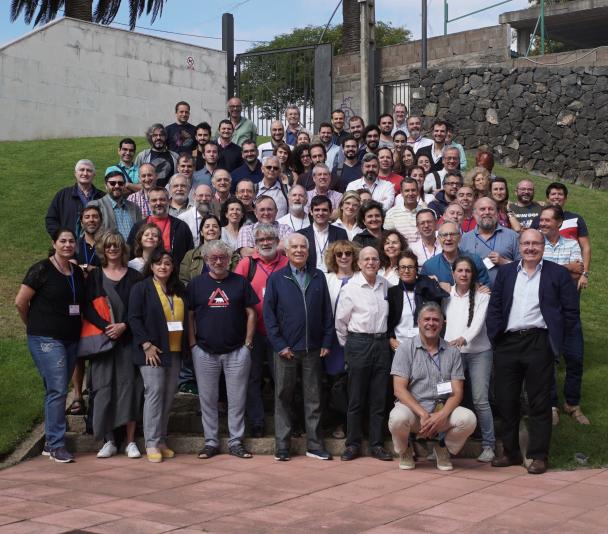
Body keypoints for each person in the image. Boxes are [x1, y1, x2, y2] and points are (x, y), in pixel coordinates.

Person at [487, 229, 580, 475]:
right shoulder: (507, 273)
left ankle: (539, 455)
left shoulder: (557, 274)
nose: (530, 248)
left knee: (540, 402)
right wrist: (494, 336)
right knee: (506, 400)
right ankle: (510, 452)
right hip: (507, 342)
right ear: (519, 246)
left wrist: (556, 340)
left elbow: (571, 311)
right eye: (526, 243)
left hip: (539, 342)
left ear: (543, 247)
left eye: (535, 243)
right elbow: (495, 306)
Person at [15, 228, 86, 463]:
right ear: (54, 243)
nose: (67, 245)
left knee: (56, 389)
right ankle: (56, 444)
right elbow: (20, 302)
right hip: (46, 338)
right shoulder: (41, 269)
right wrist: (33, 325)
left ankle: (49, 442)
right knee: (57, 389)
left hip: (70, 338)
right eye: (62, 241)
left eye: (71, 241)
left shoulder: (76, 271)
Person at [264, 233, 334, 461]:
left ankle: (314, 445)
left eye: (303, 246)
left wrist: (326, 340)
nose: (299, 250)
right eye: (294, 246)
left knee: (313, 399)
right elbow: (269, 315)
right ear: (285, 250)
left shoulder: (318, 276)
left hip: (313, 348)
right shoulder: (276, 278)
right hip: (286, 350)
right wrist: (279, 344)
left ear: (308, 250)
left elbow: (326, 312)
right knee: (283, 397)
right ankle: (282, 446)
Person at [188, 240, 258, 460]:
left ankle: (236, 442)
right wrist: (192, 344)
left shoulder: (240, 282)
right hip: (204, 351)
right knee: (207, 399)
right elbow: (189, 315)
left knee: (237, 399)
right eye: (213, 258)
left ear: (229, 259)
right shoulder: (196, 284)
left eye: (223, 258)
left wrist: (247, 343)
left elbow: (251, 313)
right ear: (207, 260)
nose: (218, 261)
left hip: (237, 351)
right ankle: (211, 442)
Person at [388, 302, 477, 471]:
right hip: (413, 412)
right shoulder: (405, 349)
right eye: (426, 319)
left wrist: (442, 415)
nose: (431, 323)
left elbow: (457, 392)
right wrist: (422, 414)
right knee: (397, 419)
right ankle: (405, 449)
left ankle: (443, 447)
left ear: (443, 323)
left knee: (468, 419)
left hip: (441, 411)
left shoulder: (452, 352)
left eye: (436, 320)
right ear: (419, 322)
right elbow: (399, 389)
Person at [84, 231, 143, 460]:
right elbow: (87, 307)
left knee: (130, 388)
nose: (112, 249)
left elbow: (139, 308)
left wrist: (124, 326)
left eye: (116, 246)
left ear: (123, 249)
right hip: (102, 342)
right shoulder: (95, 277)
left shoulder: (135, 277)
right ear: (103, 249)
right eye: (108, 246)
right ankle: (108, 440)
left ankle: (130, 441)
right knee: (103, 389)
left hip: (127, 342)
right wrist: (107, 326)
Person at [128, 249, 189, 462]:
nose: (163, 267)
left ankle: (162, 439)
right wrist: (146, 345)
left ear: (173, 267)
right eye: (158, 263)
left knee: (168, 396)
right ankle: (151, 442)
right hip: (152, 351)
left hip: (175, 350)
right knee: (154, 393)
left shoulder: (178, 288)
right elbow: (134, 318)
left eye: (167, 263)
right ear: (151, 266)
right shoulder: (141, 288)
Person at [335, 246, 392, 462]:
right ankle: (353, 444)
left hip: (381, 343)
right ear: (358, 263)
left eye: (374, 259)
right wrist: (349, 347)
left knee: (379, 398)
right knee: (356, 398)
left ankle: (377, 444)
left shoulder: (385, 285)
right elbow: (340, 322)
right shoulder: (350, 288)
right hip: (358, 342)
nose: (370, 262)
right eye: (366, 259)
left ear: (379, 262)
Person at [233, 224, 289, 437]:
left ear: (277, 241)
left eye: (270, 238)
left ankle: (283, 424)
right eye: (261, 240)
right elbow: (236, 292)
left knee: (282, 381)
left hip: (280, 333)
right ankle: (257, 422)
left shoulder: (286, 262)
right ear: (255, 243)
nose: (266, 243)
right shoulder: (247, 264)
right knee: (252, 378)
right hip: (253, 331)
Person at [538, 205, 589, 425]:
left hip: (568, 310)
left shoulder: (571, 243)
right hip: (545, 311)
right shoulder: (536, 244)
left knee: (575, 358)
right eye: (541, 219)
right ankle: (551, 405)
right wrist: (564, 268)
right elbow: (536, 269)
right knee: (548, 360)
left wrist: (551, 268)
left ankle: (572, 403)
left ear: (559, 222)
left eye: (547, 220)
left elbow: (578, 270)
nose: (542, 223)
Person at [444, 256, 495, 462]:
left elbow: (478, 323)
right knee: (446, 399)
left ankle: (489, 445)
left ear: (472, 274)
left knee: (480, 400)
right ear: (453, 273)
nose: (463, 274)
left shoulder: (483, 296)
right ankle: (443, 445)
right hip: (452, 354)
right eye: (460, 271)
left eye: (467, 271)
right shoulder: (447, 295)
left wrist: (463, 338)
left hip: (479, 353)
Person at [323, 240, 360, 439]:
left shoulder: (361, 278)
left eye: (348, 253)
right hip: (333, 340)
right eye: (339, 254)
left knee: (353, 381)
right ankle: (338, 422)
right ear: (333, 257)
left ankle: (352, 424)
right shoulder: (327, 279)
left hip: (355, 338)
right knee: (335, 382)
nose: (344, 257)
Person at [531, 181, 591, 291]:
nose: (556, 197)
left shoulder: (576, 219)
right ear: (547, 198)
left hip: (570, 278)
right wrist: (568, 267)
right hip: (542, 281)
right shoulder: (538, 220)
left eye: (560, 194)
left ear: (566, 198)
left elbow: (586, 247)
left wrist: (585, 274)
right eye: (553, 194)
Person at [388, 250, 448, 349]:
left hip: (427, 346)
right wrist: (390, 339)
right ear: (398, 270)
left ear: (416, 270)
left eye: (410, 267)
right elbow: (388, 322)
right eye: (403, 267)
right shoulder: (392, 293)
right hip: (400, 347)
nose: (406, 271)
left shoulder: (428, 289)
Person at [127, 187, 194, 269]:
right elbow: (129, 254)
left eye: (162, 199)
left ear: (169, 201)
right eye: (154, 200)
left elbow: (190, 255)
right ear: (148, 203)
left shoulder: (181, 227)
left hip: (175, 277)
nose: (158, 203)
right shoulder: (138, 227)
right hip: (143, 276)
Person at [459, 197, 521, 285]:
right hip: (476, 293)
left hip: (506, 291)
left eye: (491, 209)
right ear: (474, 213)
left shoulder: (513, 236)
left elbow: (525, 267)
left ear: (497, 213)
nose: (487, 212)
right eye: (482, 209)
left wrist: (505, 262)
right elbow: (459, 269)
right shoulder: (465, 239)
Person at [421, 221, 491, 289]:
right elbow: (423, 292)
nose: (448, 238)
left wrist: (482, 288)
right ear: (439, 239)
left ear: (460, 238)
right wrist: (437, 287)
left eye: (452, 234)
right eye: (444, 235)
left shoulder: (475, 260)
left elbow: (486, 286)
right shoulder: (429, 266)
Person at [45, 159, 105, 236]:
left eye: (89, 171)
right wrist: (61, 237)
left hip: (97, 244)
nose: (85, 173)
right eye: (82, 170)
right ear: (75, 173)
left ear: (94, 175)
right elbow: (51, 219)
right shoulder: (62, 195)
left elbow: (109, 222)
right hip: (69, 245)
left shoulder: (103, 197)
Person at [87, 168, 141, 241]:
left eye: (120, 183)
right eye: (112, 183)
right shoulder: (96, 206)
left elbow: (140, 233)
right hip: (107, 251)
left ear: (124, 186)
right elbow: (88, 235)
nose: (116, 186)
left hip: (132, 251)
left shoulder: (134, 207)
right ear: (106, 185)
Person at [298, 195, 348, 272]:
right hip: (308, 277)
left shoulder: (341, 233)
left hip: (334, 276)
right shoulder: (301, 235)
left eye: (324, 210)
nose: (320, 213)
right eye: (317, 210)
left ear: (330, 212)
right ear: (311, 212)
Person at [179, 214, 221, 286]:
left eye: (215, 226)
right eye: (207, 226)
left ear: (220, 232)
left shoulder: (229, 254)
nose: (211, 229)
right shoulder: (190, 255)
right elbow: (183, 280)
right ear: (201, 232)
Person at [384, 177, 425, 244]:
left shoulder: (426, 212)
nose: (410, 193)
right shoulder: (391, 213)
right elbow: (388, 239)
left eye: (413, 190)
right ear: (401, 193)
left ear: (418, 192)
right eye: (407, 190)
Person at [75, 205, 103, 274]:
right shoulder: (74, 245)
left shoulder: (108, 245)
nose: (91, 220)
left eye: (95, 217)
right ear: (81, 223)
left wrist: (87, 267)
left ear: (101, 222)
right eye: (87, 217)